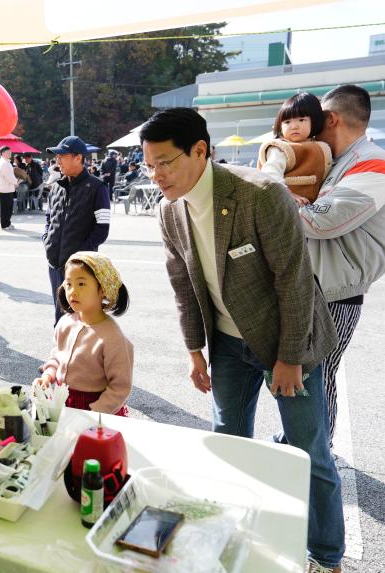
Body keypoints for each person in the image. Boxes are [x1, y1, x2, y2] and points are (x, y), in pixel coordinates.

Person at [140, 107, 344, 573]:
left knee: (308, 453)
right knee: (227, 443)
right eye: (149, 165)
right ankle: (231, 536)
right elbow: (183, 285)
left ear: (200, 150)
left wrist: (289, 358)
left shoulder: (260, 193)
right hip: (228, 346)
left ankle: (327, 556)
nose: (156, 176)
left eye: (165, 162)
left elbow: (293, 280)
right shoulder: (169, 211)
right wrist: (195, 350)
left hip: (286, 342)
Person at [297, 85, 385, 448]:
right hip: (320, 285)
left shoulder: (373, 163)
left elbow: (323, 221)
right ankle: (303, 442)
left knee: (319, 373)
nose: (312, 130)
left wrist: (280, 201)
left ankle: (319, 453)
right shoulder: (340, 161)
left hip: (338, 291)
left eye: (316, 121)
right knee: (305, 373)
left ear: (331, 118)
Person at [35, 252, 133, 415]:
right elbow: (57, 358)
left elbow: (120, 388)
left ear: (102, 289)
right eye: (68, 284)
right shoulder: (65, 323)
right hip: (63, 403)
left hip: (97, 411)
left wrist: (94, 413)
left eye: (81, 284)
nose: (72, 291)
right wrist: (47, 376)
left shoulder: (113, 337)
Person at [43, 135, 111, 323]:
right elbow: (49, 217)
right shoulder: (56, 186)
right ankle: (60, 350)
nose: (57, 161)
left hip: (79, 266)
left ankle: (78, 352)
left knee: (78, 317)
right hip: (54, 263)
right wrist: (46, 239)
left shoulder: (97, 187)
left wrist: (80, 255)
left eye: (62, 156)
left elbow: (102, 229)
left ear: (78, 158)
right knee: (59, 315)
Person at [258, 92, 332, 206]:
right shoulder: (281, 148)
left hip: (312, 208)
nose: (294, 126)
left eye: (301, 120)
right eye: (287, 122)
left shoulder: (320, 147)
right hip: (282, 205)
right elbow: (270, 173)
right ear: (280, 126)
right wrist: (287, 194)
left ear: (315, 120)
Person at [0, 146, 18, 230]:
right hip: (5, 189)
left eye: (10, 152)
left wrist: (15, 182)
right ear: (2, 153)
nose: (9, 153)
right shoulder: (4, 163)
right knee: (5, 209)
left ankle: (7, 223)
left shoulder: (6, 162)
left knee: (8, 208)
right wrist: (16, 182)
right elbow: (9, 176)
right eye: (7, 152)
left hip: (6, 188)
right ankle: (4, 225)